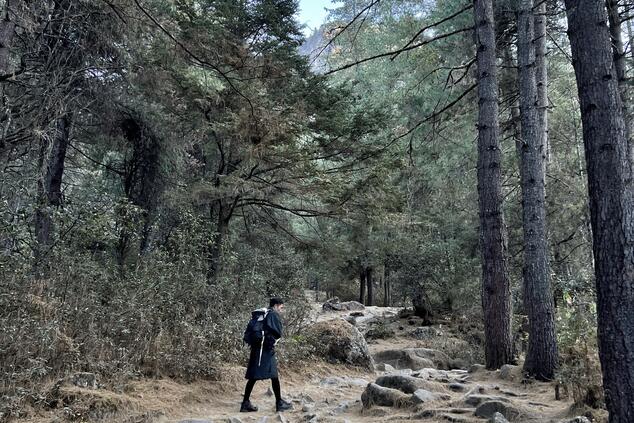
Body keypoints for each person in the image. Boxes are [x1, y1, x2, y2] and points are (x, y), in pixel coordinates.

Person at [241, 297, 293, 413]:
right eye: (281, 307)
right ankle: (279, 403)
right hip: (265, 349)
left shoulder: (262, 314)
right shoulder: (272, 314)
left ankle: (245, 403)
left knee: (255, 375)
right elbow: (278, 332)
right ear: (276, 305)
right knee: (273, 375)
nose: (281, 309)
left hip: (257, 348)